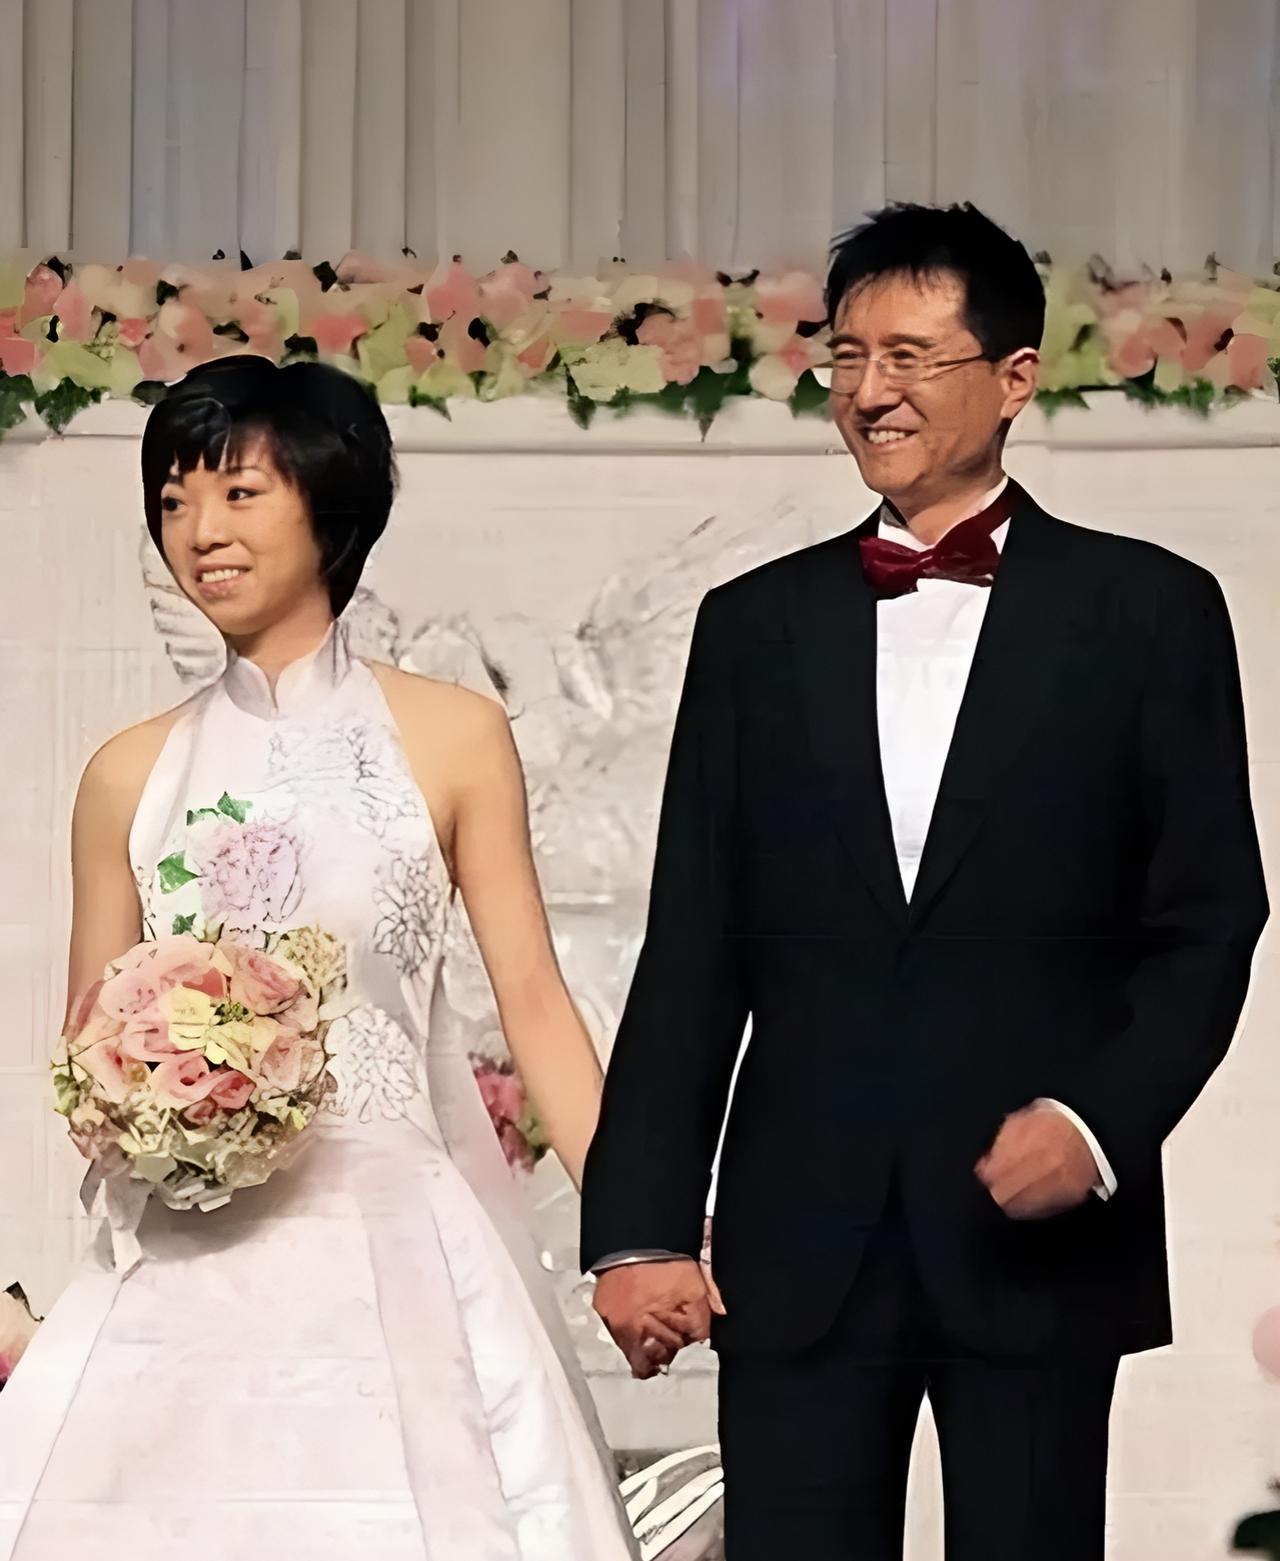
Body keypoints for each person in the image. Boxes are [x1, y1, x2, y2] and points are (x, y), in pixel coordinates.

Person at [581, 202, 1269, 1560]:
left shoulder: (1149, 612)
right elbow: (695, 945)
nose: (868, 390)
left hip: (1035, 1235)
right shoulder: (754, 628)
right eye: (846, 356)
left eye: (908, 355)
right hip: (798, 1237)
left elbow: (1206, 921)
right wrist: (639, 1226)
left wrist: (1096, 1122)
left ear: (1013, 378)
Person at [0, 355, 639, 1561]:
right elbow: (88, 1052)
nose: (201, 531)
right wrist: (165, 1102)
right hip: (188, 1253)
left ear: (328, 505)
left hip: (393, 1232)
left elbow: (534, 1001)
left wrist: (636, 1226)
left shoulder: (453, 734)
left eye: (239, 493)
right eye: (175, 501)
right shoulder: (127, 773)